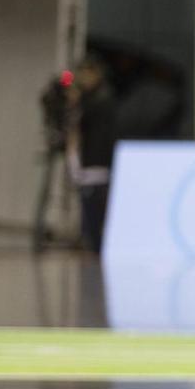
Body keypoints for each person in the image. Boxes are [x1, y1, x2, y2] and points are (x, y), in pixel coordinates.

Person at [67, 55, 118, 253]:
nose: (83, 79)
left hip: (97, 162)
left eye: (88, 74)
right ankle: (91, 242)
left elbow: (90, 125)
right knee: (87, 206)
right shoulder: (86, 99)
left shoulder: (101, 99)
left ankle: (97, 245)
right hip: (86, 161)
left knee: (95, 207)